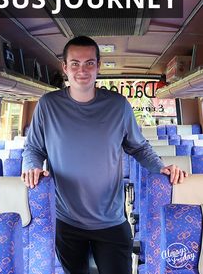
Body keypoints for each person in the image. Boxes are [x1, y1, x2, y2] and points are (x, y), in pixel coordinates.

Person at [21, 36, 188, 274]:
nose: (82, 70)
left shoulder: (118, 106)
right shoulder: (48, 105)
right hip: (66, 219)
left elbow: (138, 147)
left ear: (98, 66)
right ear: (65, 67)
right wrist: (32, 166)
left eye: (89, 63)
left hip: (111, 219)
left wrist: (160, 167)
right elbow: (34, 148)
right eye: (75, 64)